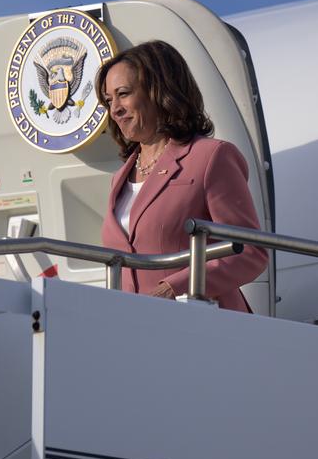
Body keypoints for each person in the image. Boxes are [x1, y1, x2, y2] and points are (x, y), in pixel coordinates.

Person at [97, 41, 267, 312]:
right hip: (135, 328)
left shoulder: (211, 157)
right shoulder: (119, 178)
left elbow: (250, 253)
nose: (114, 109)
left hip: (204, 325)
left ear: (159, 91)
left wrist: (174, 289)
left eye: (124, 94)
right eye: (108, 100)